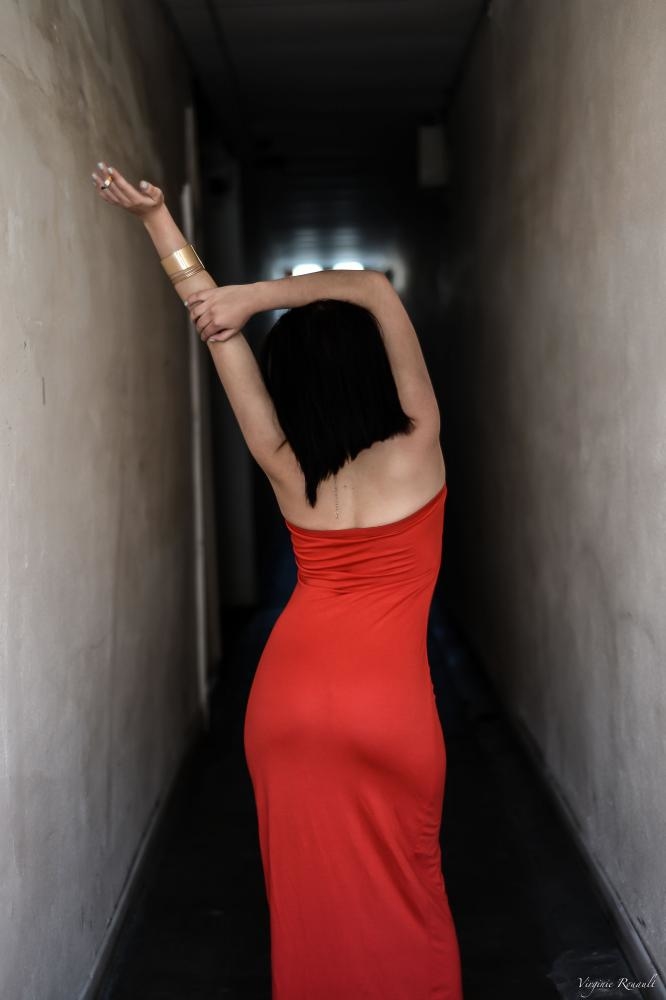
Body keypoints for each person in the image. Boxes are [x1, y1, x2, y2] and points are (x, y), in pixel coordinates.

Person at [92, 162, 463, 999]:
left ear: (294, 385)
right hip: (388, 710)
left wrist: (158, 224)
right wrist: (258, 295)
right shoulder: (420, 445)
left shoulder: (286, 465)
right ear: (373, 372)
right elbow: (372, 288)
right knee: (411, 896)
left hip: (286, 701)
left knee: (308, 909)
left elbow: (214, 331)